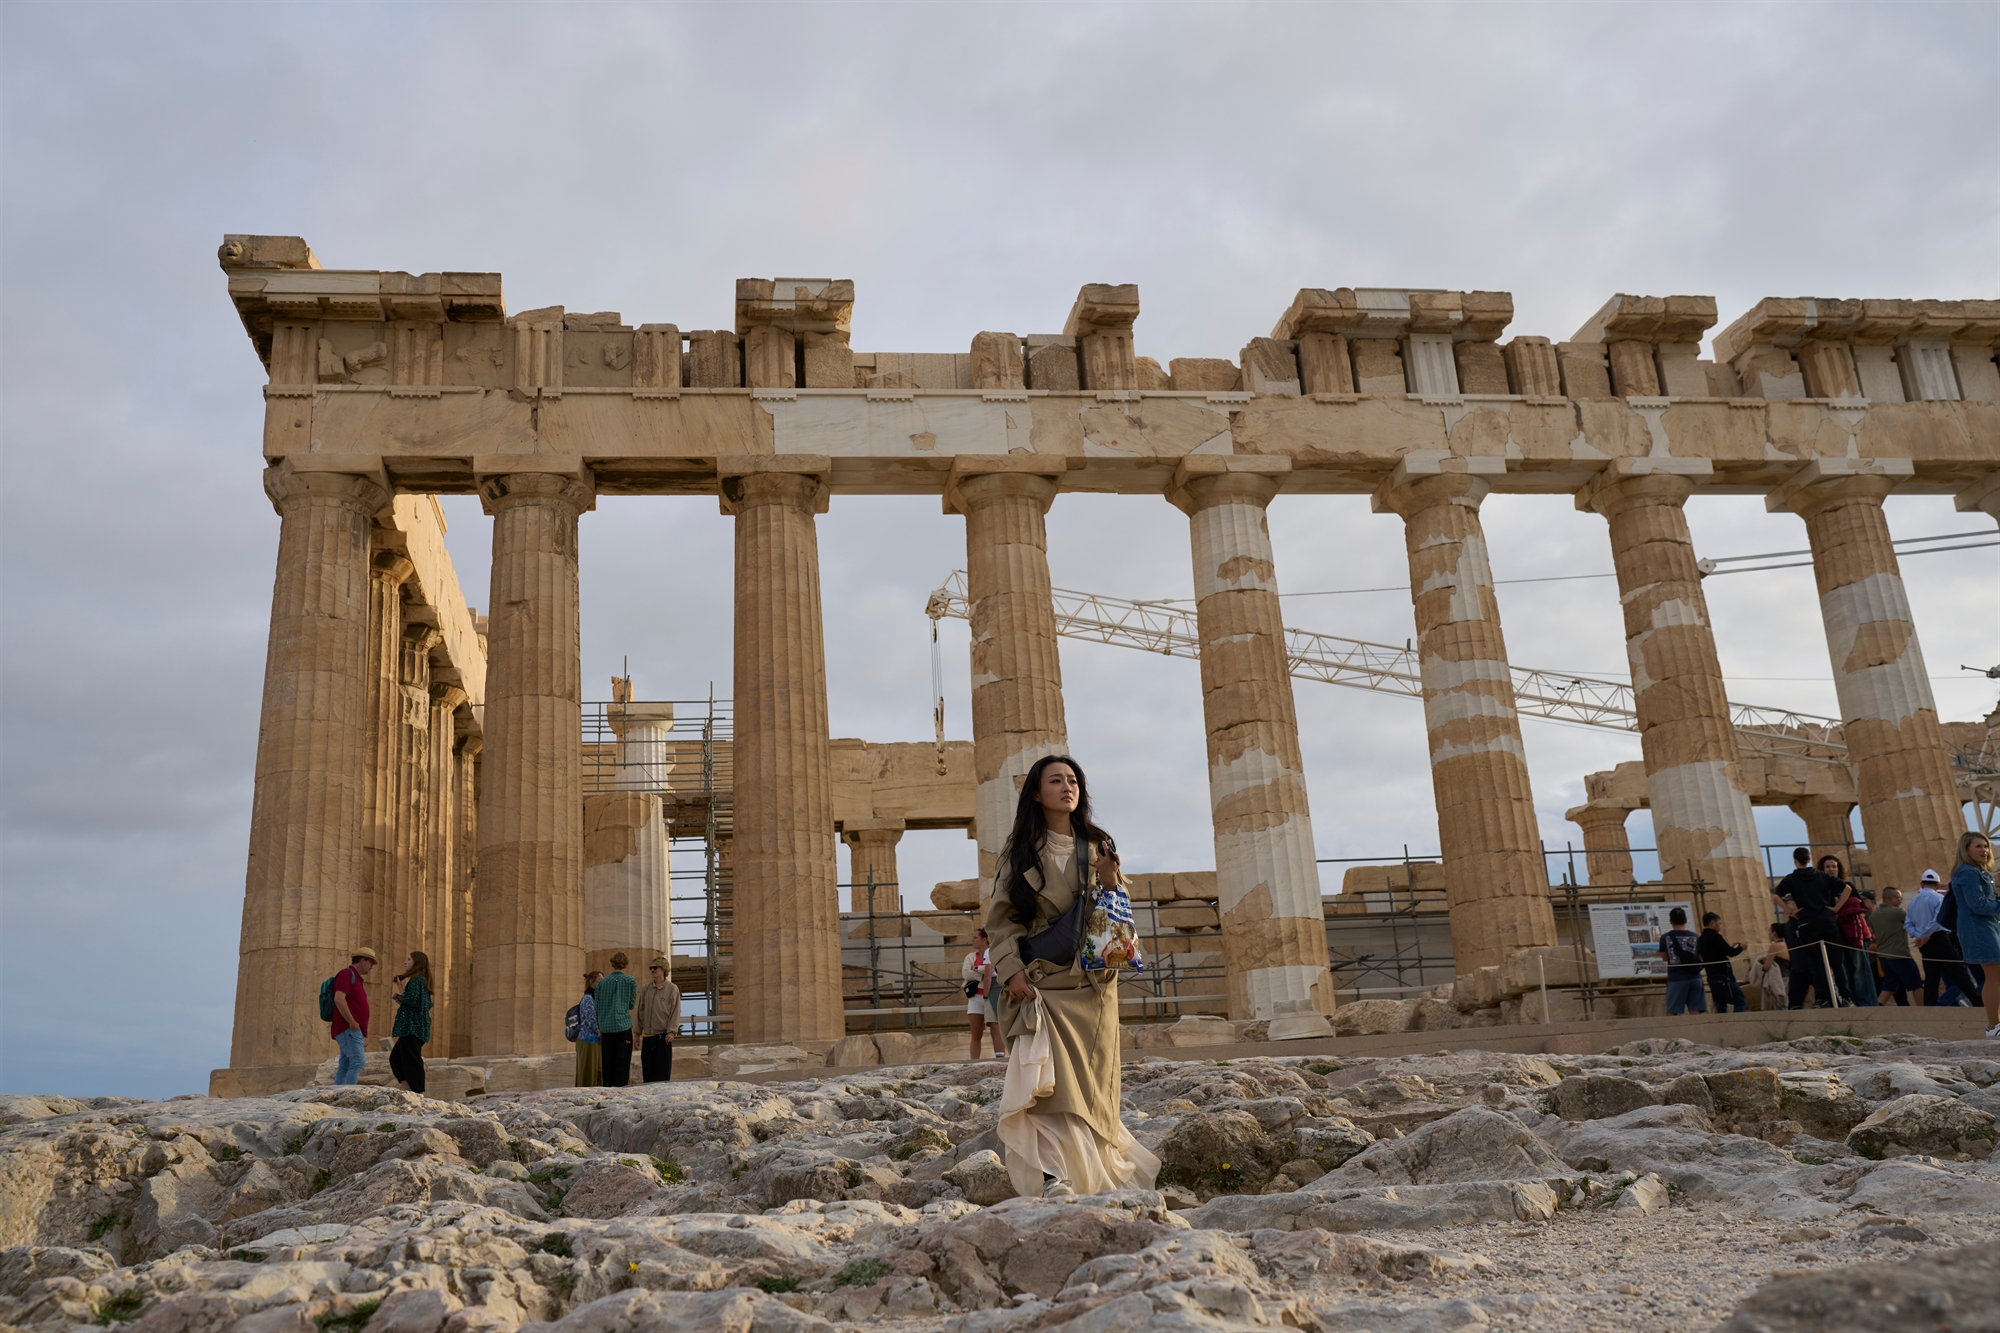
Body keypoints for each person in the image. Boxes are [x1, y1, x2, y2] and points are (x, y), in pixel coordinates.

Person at [986, 754, 1160, 1199]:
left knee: (1090, 1087)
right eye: (1056, 780)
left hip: (1091, 988)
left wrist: (1110, 877)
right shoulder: (1019, 853)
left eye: (1073, 780)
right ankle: (1051, 1178)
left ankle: (1092, 1176)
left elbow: (1115, 913)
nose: (1067, 787)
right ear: (1037, 792)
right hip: (1041, 983)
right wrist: (1011, 973)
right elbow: (1001, 923)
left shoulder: (1097, 843)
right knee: (1040, 1081)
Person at [1773, 848, 1846, 1008]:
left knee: (1818, 965)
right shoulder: (1822, 876)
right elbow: (1847, 888)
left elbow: (1775, 895)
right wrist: (1836, 908)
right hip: (1827, 922)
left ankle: (1826, 999)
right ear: (1809, 859)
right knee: (1835, 962)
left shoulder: (1792, 879)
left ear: (1795, 860)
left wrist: (1788, 910)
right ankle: (1844, 997)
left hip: (1808, 926)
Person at [1948, 832, 2000, 1037]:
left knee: (1996, 977)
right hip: (1978, 929)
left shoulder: (1979, 871)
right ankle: (1993, 1026)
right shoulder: (1967, 872)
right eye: (1978, 846)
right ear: (1966, 849)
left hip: (1988, 926)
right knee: (1993, 977)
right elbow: (1977, 905)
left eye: (1986, 846)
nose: (1984, 850)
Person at [1908, 869, 1982, 1008]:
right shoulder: (1939, 898)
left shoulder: (1912, 902)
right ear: (1937, 886)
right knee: (1959, 971)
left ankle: (1929, 1006)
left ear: (1921, 884)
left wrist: (1919, 936)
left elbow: (1908, 924)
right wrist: (1925, 935)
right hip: (1940, 938)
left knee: (1931, 977)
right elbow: (1939, 920)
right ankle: (1978, 1002)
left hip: (1925, 943)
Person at [1822, 855, 1878, 1006]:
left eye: (1834, 866)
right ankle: (1854, 1002)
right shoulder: (1822, 889)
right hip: (1836, 934)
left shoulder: (1847, 886)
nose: (1831, 869)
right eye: (1828, 867)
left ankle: (1868, 1003)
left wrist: (1839, 905)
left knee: (1860, 969)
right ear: (1822, 869)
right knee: (1846, 970)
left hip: (1853, 933)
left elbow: (1861, 907)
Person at [331, 947, 377, 1085]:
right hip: (349, 1028)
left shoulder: (356, 978)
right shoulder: (347, 974)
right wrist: (352, 1022)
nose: (372, 967)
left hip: (352, 1029)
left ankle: (338, 1094)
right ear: (363, 961)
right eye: (371, 963)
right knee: (358, 1061)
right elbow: (339, 999)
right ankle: (347, 1094)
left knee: (345, 1065)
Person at [388, 951, 433, 1094]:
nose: (405, 962)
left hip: (413, 1028)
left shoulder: (418, 980)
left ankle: (419, 1094)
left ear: (416, 962)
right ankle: (409, 1092)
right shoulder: (419, 980)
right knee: (396, 1059)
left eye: (409, 959)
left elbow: (414, 1001)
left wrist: (401, 989)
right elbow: (417, 1004)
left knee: (412, 1061)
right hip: (411, 1028)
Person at [1870, 887, 1921, 1006]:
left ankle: (1877, 1009)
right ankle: (1925, 1012)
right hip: (1899, 955)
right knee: (1916, 984)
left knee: (1889, 985)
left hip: (1883, 955)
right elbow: (1915, 922)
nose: (1901, 901)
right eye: (1899, 898)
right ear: (1891, 898)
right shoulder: (1898, 912)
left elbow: (1876, 936)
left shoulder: (1873, 916)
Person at [962, 929, 1006, 1060]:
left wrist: (978, 970)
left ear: (984, 939)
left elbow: (994, 972)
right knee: (976, 1034)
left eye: (975, 937)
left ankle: (1000, 1059)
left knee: (996, 1029)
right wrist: (985, 973)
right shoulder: (970, 957)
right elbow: (966, 974)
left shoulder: (992, 953)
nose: (972, 940)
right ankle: (974, 1062)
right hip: (976, 998)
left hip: (991, 994)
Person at [637, 957, 681, 1083]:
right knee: (648, 1074)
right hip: (647, 1037)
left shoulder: (672, 989)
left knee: (662, 1074)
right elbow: (641, 1011)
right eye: (650, 968)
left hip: (662, 1037)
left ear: (663, 969)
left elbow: (675, 1012)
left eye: (655, 968)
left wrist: (672, 1031)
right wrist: (637, 1034)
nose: (652, 970)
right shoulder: (646, 988)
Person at [597, 953, 638, 1088]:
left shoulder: (602, 983)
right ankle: (621, 1090)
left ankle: (608, 1089)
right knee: (623, 1062)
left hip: (606, 1027)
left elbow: (597, 1005)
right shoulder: (630, 981)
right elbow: (631, 1004)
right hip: (623, 1025)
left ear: (612, 964)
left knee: (607, 1063)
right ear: (625, 964)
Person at [1696, 912, 1747, 1013]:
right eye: (1719, 923)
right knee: (1740, 1001)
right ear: (1712, 923)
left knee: (1720, 1003)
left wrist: (1729, 949)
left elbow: (1713, 953)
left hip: (1712, 975)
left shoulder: (1701, 939)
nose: (1720, 926)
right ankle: (1736, 1024)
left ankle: (1721, 1025)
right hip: (1724, 975)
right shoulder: (1715, 936)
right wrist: (1741, 948)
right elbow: (1731, 953)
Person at [1659, 908, 1706, 1015]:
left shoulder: (1665, 937)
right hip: (1695, 977)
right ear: (1686, 920)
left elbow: (1665, 958)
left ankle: (1674, 1032)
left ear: (1670, 921)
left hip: (1676, 978)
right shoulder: (1695, 936)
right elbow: (1699, 957)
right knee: (1695, 1011)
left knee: (1672, 1012)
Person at [573, 971, 602, 1088]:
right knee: (588, 1071)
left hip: (593, 1039)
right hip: (588, 1039)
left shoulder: (594, 997)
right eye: (599, 981)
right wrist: (600, 1031)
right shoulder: (588, 998)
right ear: (591, 982)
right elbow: (591, 1018)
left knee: (596, 1069)